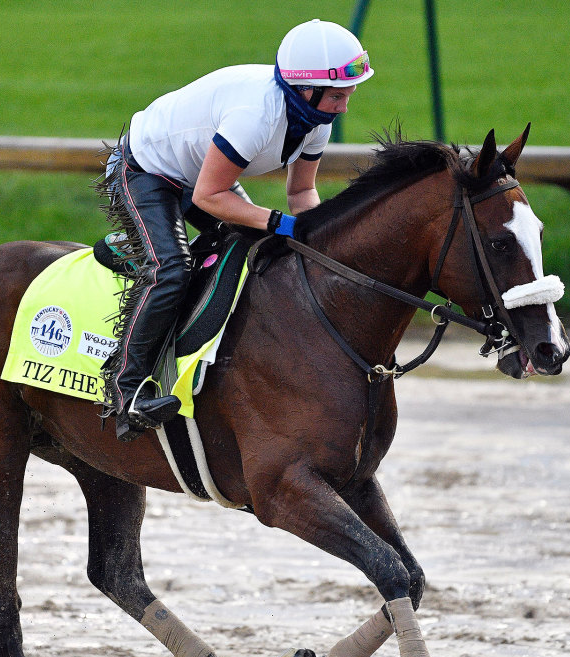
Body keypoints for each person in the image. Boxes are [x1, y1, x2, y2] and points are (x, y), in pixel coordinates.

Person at [97, 19, 374, 442]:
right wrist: (280, 223)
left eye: (348, 94)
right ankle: (126, 392)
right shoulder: (255, 117)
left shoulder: (316, 117)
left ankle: (148, 248)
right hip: (147, 170)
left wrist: (322, 241)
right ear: (305, 90)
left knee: (257, 243)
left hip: (198, 174)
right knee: (172, 270)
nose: (345, 106)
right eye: (338, 95)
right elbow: (210, 197)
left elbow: (302, 192)